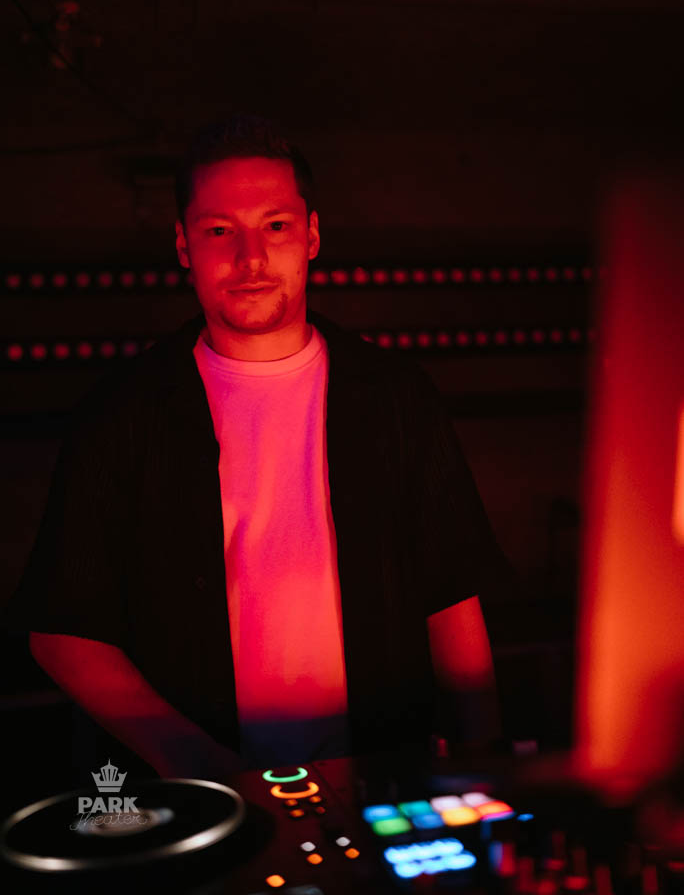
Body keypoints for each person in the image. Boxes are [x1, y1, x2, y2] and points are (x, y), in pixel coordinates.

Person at [5, 114, 513, 779]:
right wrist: (206, 769)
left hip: (383, 781)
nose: (250, 258)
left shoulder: (395, 395)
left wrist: (484, 765)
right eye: (220, 231)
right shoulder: (122, 413)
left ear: (312, 236)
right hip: (207, 801)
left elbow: (451, 596)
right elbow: (62, 633)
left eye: (275, 226)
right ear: (184, 244)